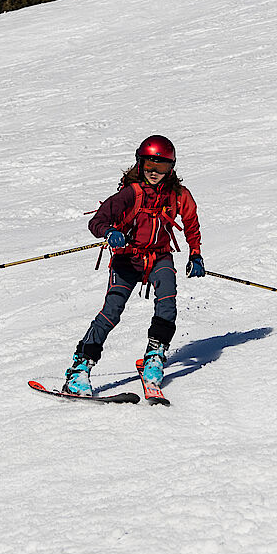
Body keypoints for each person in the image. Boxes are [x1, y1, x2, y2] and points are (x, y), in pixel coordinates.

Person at [62, 135, 204, 396]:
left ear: (170, 168)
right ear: (140, 164)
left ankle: (154, 356)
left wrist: (195, 254)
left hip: (159, 257)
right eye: (149, 165)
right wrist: (108, 231)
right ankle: (80, 367)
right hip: (128, 258)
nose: (154, 173)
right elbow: (98, 220)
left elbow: (191, 224)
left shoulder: (178, 196)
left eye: (161, 167)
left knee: (167, 303)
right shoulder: (131, 194)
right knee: (112, 311)